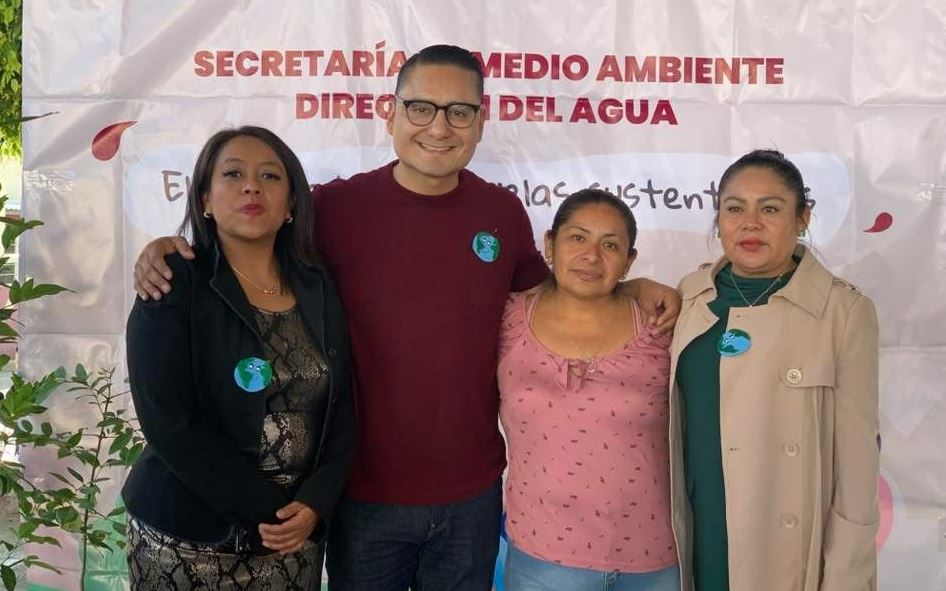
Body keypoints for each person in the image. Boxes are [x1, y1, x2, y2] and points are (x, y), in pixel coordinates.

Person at [132, 45, 681, 590]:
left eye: (459, 111)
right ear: (390, 113)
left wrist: (631, 285)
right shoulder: (333, 209)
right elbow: (248, 238)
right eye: (421, 107)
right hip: (360, 493)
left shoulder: (501, 213)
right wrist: (173, 249)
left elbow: (560, 291)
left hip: (471, 494)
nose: (439, 127)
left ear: (481, 122)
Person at [123, 126, 354, 590]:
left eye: (270, 176)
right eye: (233, 174)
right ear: (205, 199)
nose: (252, 186)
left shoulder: (318, 284)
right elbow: (168, 421)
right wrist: (271, 512)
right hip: (189, 542)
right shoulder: (172, 282)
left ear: (291, 205)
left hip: (294, 540)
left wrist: (316, 502)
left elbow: (342, 405)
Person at [668, 150, 880, 591]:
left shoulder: (843, 311)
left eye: (770, 209)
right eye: (734, 208)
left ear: (802, 217)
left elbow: (859, 467)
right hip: (700, 525)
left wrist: (846, 578)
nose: (750, 223)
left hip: (783, 547)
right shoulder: (690, 295)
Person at [498, 189, 679, 590]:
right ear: (550, 243)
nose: (592, 256)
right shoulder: (506, 318)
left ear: (629, 260)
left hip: (652, 559)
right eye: (577, 238)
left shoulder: (662, 325)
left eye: (610, 245)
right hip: (543, 559)